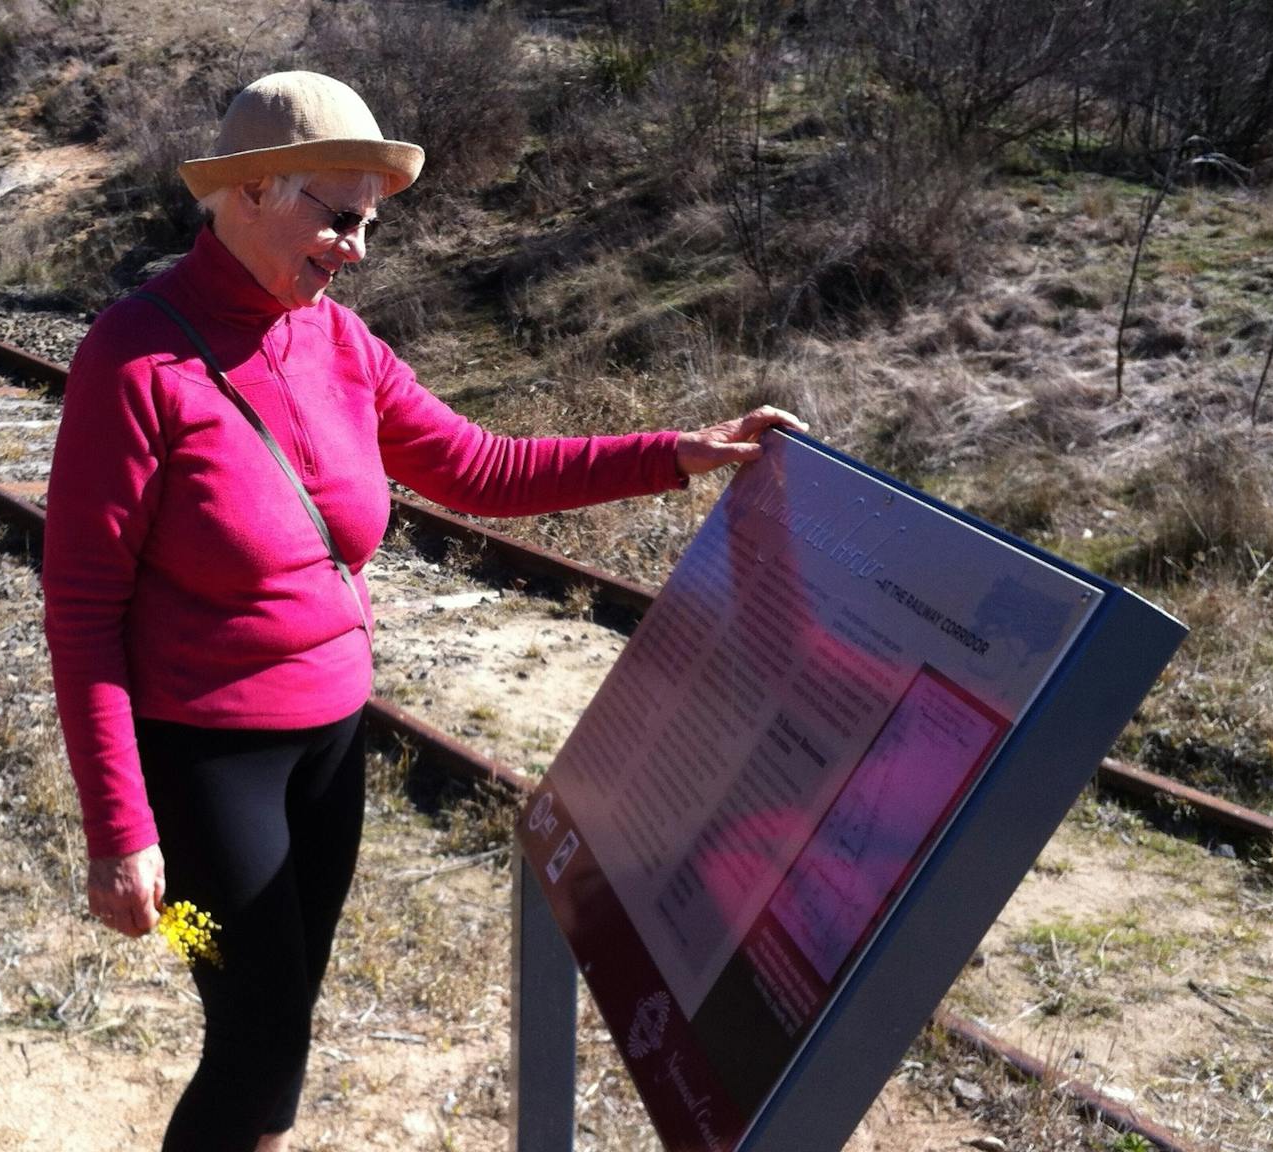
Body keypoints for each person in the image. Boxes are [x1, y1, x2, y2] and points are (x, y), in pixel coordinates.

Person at [41, 70, 807, 1152]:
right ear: (255, 190)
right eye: (339, 218)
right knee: (247, 1027)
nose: (356, 248)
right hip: (199, 772)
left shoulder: (338, 343)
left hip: (327, 749)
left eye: (367, 223)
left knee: (288, 1014)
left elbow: (481, 467)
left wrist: (675, 455)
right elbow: (81, 611)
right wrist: (119, 832)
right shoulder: (133, 358)